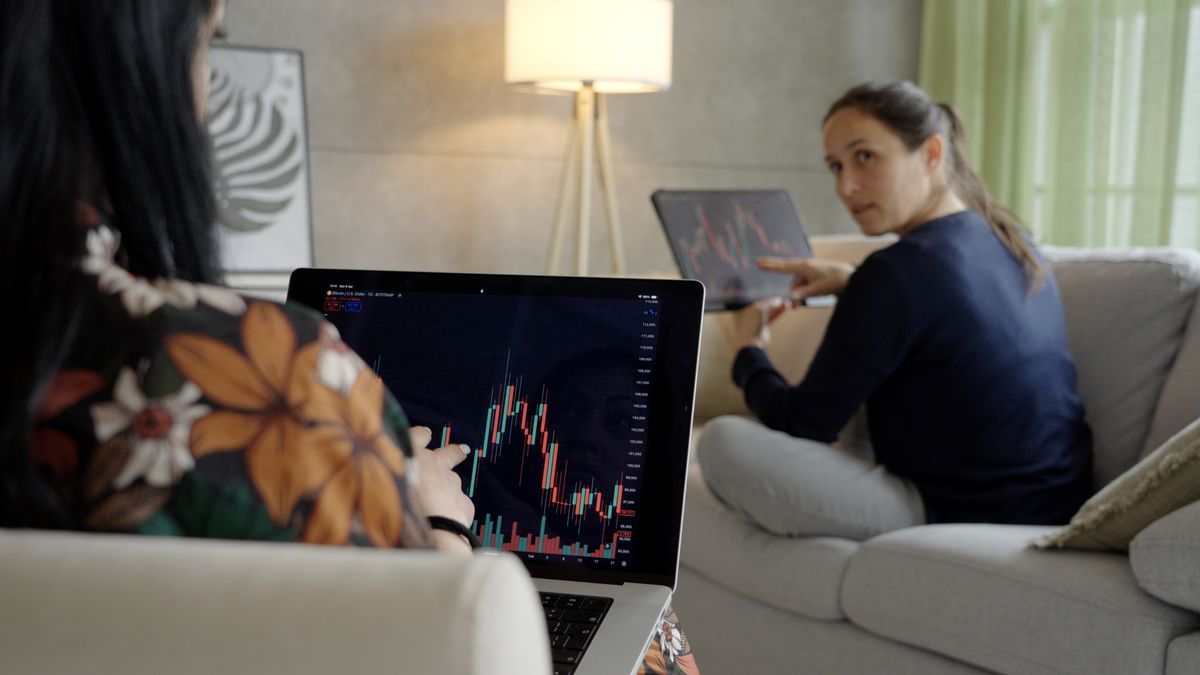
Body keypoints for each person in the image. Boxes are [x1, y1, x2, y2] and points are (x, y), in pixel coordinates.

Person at [0, 1, 697, 672]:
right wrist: (438, 522)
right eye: (211, 40)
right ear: (138, 63)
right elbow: (438, 654)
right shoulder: (270, 373)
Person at [701, 81, 1093, 541]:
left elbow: (803, 423)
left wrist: (749, 353)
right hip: (1060, 498)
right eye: (835, 166)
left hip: (965, 511)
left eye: (865, 157)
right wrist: (854, 281)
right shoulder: (1011, 240)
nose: (846, 186)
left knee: (721, 442)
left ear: (930, 153)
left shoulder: (895, 273)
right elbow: (950, 315)